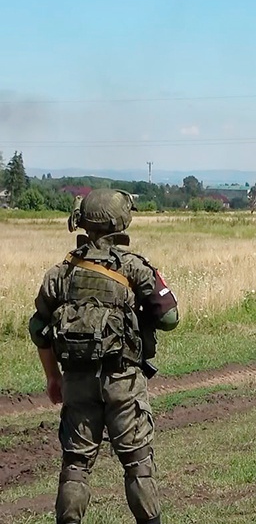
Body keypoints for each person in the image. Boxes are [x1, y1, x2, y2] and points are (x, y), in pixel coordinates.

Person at [28, 189, 179, 524]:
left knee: (76, 464)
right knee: (137, 462)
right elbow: (170, 318)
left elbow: (38, 329)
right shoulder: (134, 268)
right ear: (120, 222)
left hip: (77, 381)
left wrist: (53, 377)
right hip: (123, 381)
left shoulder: (60, 273)